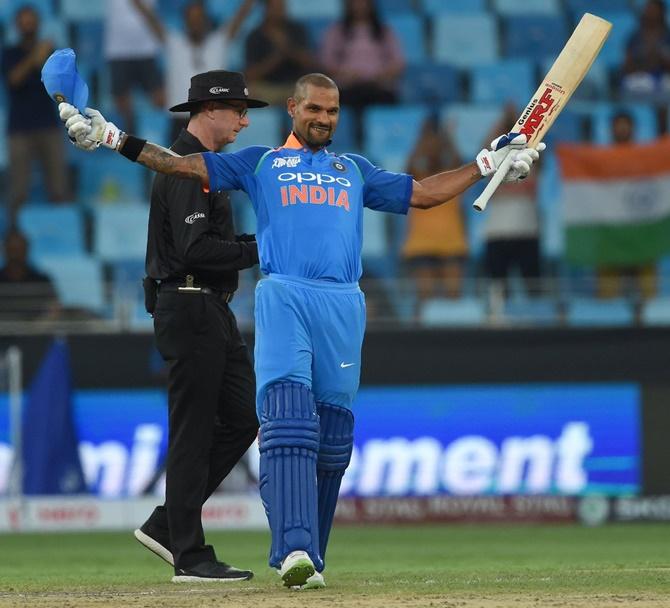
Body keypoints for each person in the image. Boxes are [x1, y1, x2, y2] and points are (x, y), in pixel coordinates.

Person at [59, 72, 543, 590]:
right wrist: (112, 138)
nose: (323, 119)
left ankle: (310, 554)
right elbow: (180, 164)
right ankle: (289, 547)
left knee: (333, 439)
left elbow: (423, 194)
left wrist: (485, 164)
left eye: (332, 112)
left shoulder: (352, 168)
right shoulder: (262, 162)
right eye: (314, 109)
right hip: (285, 295)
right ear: (293, 108)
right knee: (288, 423)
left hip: (344, 304)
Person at [130, 70, 265, 582]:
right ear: (210, 110)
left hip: (208, 307)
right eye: (238, 109)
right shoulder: (187, 168)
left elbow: (205, 244)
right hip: (189, 302)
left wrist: (251, 245)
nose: (244, 120)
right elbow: (194, 249)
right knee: (193, 430)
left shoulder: (201, 165)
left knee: (244, 414)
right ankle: (188, 552)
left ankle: (170, 522)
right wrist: (260, 248)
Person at [0, 4, 70, 221]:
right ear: (18, 26)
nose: (28, 26)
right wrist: (33, 58)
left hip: (48, 126)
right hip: (20, 128)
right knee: (19, 191)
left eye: (31, 21)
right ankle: (14, 234)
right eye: (24, 22)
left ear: (38, 24)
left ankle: (61, 233)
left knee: (59, 188)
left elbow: (62, 87)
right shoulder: (10, 53)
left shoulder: (51, 53)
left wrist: (45, 58)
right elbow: (14, 80)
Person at [150, 0, 255, 141]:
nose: (195, 24)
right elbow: (150, 19)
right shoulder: (174, 43)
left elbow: (241, 16)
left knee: (210, 164)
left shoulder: (218, 43)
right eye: (191, 19)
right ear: (185, 20)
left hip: (212, 123)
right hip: (179, 121)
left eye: (199, 18)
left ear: (205, 20)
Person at [402, 115, 468, 316]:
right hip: (421, 245)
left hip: (452, 244)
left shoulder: (453, 179)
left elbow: (460, 163)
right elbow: (408, 167)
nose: (433, 151)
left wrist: (446, 137)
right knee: (425, 298)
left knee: (454, 297)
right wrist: (423, 139)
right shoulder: (415, 180)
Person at [481, 103, 543, 299]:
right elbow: (484, 152)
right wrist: (503, 122)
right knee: (498, 291)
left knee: (533, 289)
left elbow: (536, 149)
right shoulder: (493, 167)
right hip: (497, 233)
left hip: (527, 231)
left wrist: (520, 124)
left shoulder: (531, 164)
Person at [596, 111, 657, 300]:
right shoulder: (600, 161)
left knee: (646, 281)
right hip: (611, 230)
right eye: (618, 125)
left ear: (633, 129)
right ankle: (608, 315)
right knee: (608, 286)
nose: (622, 129)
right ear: (612, 129)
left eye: (626, 125)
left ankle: (650, 316)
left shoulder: (645, 159)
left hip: (639, 227)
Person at [104, 0, 166, 133]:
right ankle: (129, 136)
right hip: (118, 49)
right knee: (121, 100)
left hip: (147, 48)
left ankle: (162, 135)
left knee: (160, 98)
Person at [244, 0, 316, 105]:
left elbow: (310, 62)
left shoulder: (297, 30)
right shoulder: (255, 36)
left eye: (282, 7)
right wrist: (276, 58)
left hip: (295, 86)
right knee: (248, 93)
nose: (280, 11)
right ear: (266, 9)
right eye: (275, 8)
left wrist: (287, 49)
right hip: (268, 88)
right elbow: (251, 74)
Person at [0, 228, 60, 322]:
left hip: (36, 333)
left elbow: (54, 308)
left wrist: (38, 328)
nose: (15, 255)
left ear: (27, 250)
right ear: (4, 251)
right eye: (12, 250)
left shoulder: (42, 280)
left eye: (19, 250)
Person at [620, 0, 670, 100]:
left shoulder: (667, 36)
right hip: (641, 77)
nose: (650, 12)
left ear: (661, 12)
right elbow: (626, 65)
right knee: (633, 84)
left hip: (664, 78)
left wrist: (660, 59)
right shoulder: (635, 36)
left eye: (653, 9)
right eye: (648, 9)